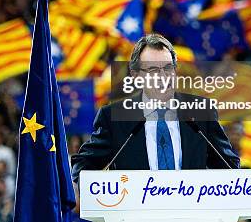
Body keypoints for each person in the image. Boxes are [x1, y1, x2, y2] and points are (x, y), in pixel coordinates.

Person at [71, 34, 240, 186]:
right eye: (153, 70)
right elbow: (83, 166)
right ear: (136, 75)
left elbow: (230, 167)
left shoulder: (202, 112)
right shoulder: (114, 117)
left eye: (167, 68)